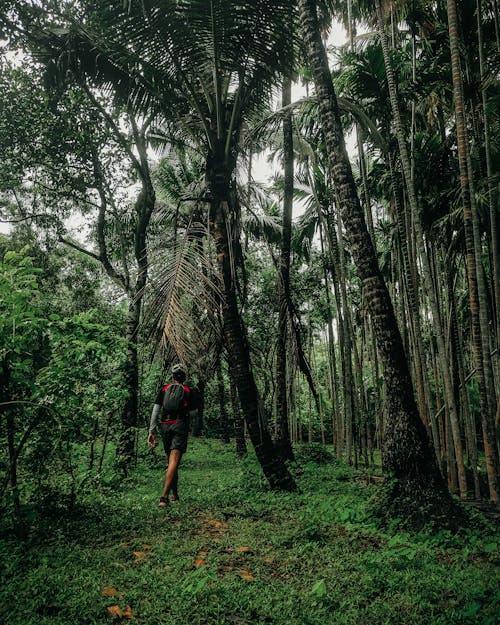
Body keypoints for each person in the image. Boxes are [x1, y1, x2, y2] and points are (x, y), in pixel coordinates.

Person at [148, 363, 192, 508]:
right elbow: (195, 412)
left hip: (165, 426)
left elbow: (155, 411)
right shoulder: (187, 391)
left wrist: (152, 431)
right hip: (180, 426)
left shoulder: (164, 389)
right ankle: (164, 497)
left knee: (171, 462)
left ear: (172, 376)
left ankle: (175, 494)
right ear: (184, 377)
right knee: (174, 461)